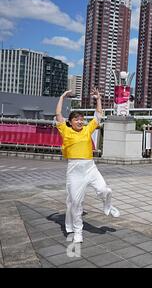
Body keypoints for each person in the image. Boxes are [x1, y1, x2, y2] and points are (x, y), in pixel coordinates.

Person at [55, 89, 120, 244]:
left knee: (105, 190)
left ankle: (108, 205)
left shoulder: (87, 130)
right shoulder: (65, 131)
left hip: (90, 168)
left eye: (81, 119)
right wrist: (62, 96)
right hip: (74, 170)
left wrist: (98, 99)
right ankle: (78, 232)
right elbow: (58, 114)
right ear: (70, 122)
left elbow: (98, 115)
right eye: (76, 119)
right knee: (76, 203)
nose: (80, 121)